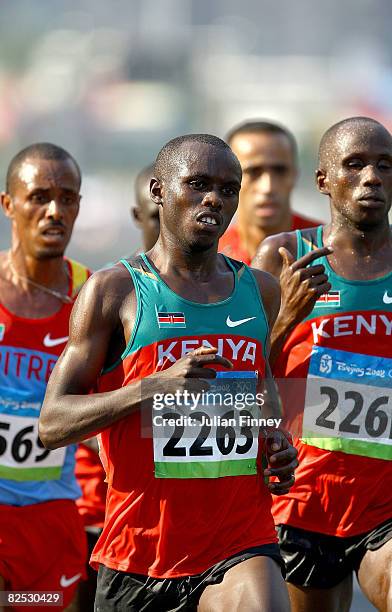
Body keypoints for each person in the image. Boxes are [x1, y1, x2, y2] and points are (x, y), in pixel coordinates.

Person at [39, 134, 298, 612]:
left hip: (239, 538)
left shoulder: (260, 290)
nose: (214, 199)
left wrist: (275, 443)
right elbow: (53, 422)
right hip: (139, 550)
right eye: (198, 184)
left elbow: (261, 392)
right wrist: (151, 387)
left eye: (227, 188)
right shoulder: (113, 291)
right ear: (158, 191)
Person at [252, 117, 392, 612]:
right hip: (304, 496)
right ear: (323, 180)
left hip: (384, 499)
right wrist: (287, 316)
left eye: (384, 166)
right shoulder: (285, 254)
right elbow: (245, 374)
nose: (371, 177)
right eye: (354, 165)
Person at [0, 143, 90, 609]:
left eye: (67, 198)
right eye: (39, 197)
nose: (54, 211)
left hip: (49, 518)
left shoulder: (96, 298)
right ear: (9, 204)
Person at [219, 120, 319, 264]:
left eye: (280, 171)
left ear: (295, 175)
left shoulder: (328, 249)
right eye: (253, 172)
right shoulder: (210, 256)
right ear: (228, 179)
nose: (268, 187)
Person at [131, 163, 160, 251]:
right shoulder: (119, 265)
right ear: (138, 216)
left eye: (175, 218)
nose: (170, 228)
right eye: (158, 217)